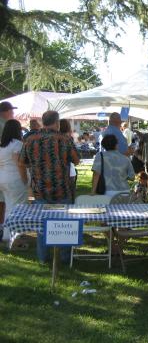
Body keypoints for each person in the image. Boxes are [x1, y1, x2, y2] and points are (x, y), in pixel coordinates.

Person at [19, 110, 79, 263]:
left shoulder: (30, 139)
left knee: (41, 226)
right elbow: (77, 160)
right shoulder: (65, 139)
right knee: (65, 224)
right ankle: (65, 259)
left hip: (40, 189)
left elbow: (21, 161)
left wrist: (26, 180)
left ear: (42, 121)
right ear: (57, 122)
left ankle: (43, 258)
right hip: (62, 188)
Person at [0, 119, 28, 244]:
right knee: (18, 208)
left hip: (3, 179)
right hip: (15, 179)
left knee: (9, 207)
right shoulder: (17, 144)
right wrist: (25, 179)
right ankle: (14, 234)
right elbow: (20, 164)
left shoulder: (2, 145)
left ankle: (8, 234)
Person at [0, 101, 16, 238]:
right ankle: (3, 229)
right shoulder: (4, 125)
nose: (13, 113)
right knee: (5, 202)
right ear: (6, 111)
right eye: (12, 111)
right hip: (7, 169)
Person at [59, 119, 78, 203]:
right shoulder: (68, 139)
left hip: (57, 172)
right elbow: (76, 159)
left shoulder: (53, 138)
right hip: (69, 171)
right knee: (70, 197)